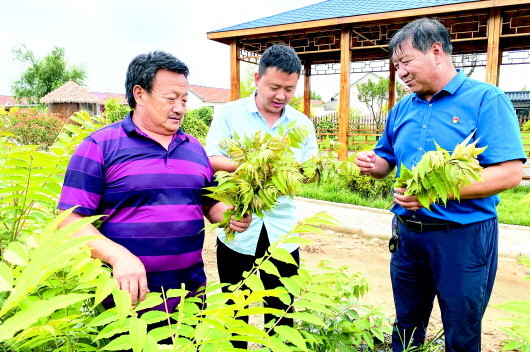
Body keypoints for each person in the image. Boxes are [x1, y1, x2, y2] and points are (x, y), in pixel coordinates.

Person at [355, 18, 526, 352]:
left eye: (405, 62)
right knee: (406, 327)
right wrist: (372, 164)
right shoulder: (402, 108)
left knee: (461, 331)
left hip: (462, 237)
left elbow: (509, 173)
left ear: (436, 51)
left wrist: (433, 192)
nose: (400, 72)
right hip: (407, 235)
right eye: (396, 66)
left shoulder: (486, 100)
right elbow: (385, 160)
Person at [58, 51, 251, 313]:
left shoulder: (194, 149)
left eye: (184, 99)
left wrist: (230, 216)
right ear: (140, 94)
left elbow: (209, 203)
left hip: (189, 299)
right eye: (171, 99)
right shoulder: (99, 146)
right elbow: (69, 221)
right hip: (124, 300)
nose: (180, 108)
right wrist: (118, 256)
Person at [205, 44, 318, 347]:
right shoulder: (229, 115)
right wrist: (253, 165)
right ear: (257, 79)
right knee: (234, 309)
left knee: (282, 313)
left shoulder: (302, 124)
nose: (281, 95)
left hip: (282, 231)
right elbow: (211, 159)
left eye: (289, 89)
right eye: (274, 87)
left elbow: (309, 170)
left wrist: (292, 170)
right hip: (238, 226)